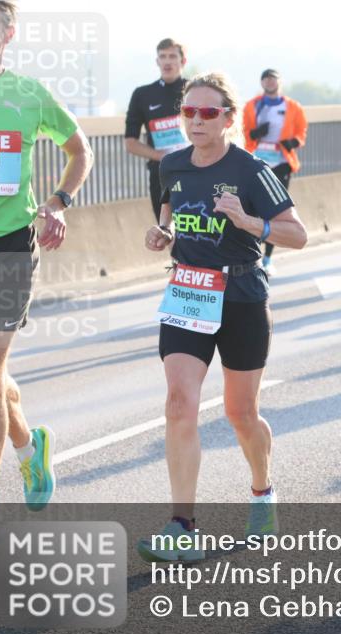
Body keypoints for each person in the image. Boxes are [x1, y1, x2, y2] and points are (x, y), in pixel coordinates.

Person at [138, 72, 308, 563]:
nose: (196, 120)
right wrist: (162, 234)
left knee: (240, 413)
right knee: (178, 402)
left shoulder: (252, 169)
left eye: (208, 112)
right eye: (188, 112)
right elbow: (169, 214)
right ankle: (182, 524)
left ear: (229, 119)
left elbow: (297, 235)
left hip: (241, 295)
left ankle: (262, 491)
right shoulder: (171, 165)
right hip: (189, 290)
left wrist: (250, 221)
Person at [0, 0, 93, 566]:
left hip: (12, 248)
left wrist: (58, 203)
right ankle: (28, 445)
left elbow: (79, 149)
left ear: (7, 33)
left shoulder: (30, 95)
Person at [243, 68, 308, 276]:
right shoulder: (252, 106)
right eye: (266, 79)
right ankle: (253, 254)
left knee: (277, 211)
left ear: (280, 82)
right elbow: (243, 131)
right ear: (262, 83)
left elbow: (301, 132)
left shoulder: (293, 107)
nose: (270, 82)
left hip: (281, 162)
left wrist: (293, 142)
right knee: (253, 209)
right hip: (257, 161)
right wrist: (255, 133)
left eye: (273, 79)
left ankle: (268, 258)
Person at [125, 37, 189, 223]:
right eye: (163, 56)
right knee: (166, 231)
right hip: (162, 174)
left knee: (197, 229)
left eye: (172, 56)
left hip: (195, 170)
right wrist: (163, 156)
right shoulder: (142, 94)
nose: (167, 61)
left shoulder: (197, 90)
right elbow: (131, 143)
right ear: (157, 61)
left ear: (182, 61)